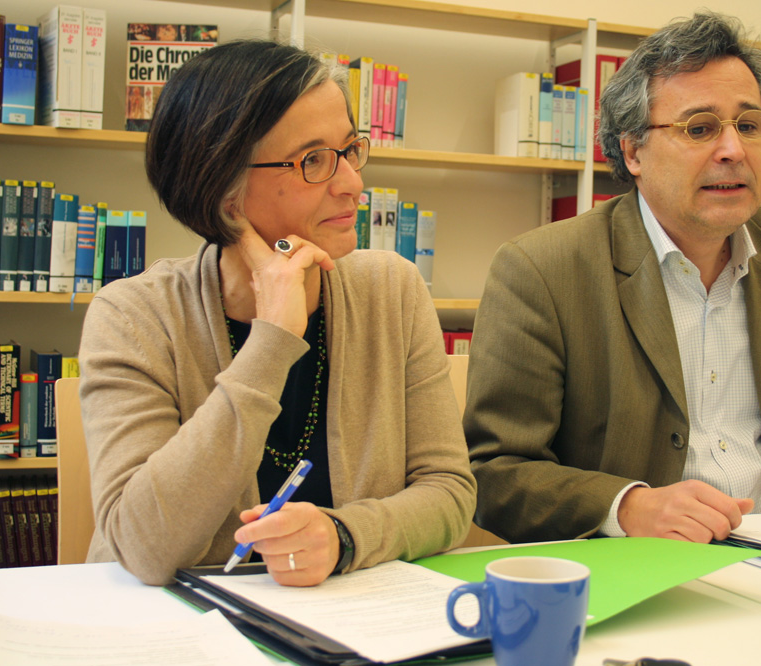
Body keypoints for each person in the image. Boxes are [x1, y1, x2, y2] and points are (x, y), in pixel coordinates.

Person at [464, 11, 761, 545]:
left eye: (748, 125)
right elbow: (496, 471)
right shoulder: (542, 269)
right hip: (637, 564)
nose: (733, 150)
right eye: (700, 128)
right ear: (633, 150)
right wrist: (627, 508)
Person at [78, 40, 475, 587]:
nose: (353, 184)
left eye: (349, 150)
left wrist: (344, 535)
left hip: (342, 617)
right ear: (225, 193)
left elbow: (449, 493)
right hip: (176, 622)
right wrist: (270, 344)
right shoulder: (133, 316)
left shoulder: (393, 290)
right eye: (313, 161)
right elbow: (144, 546)